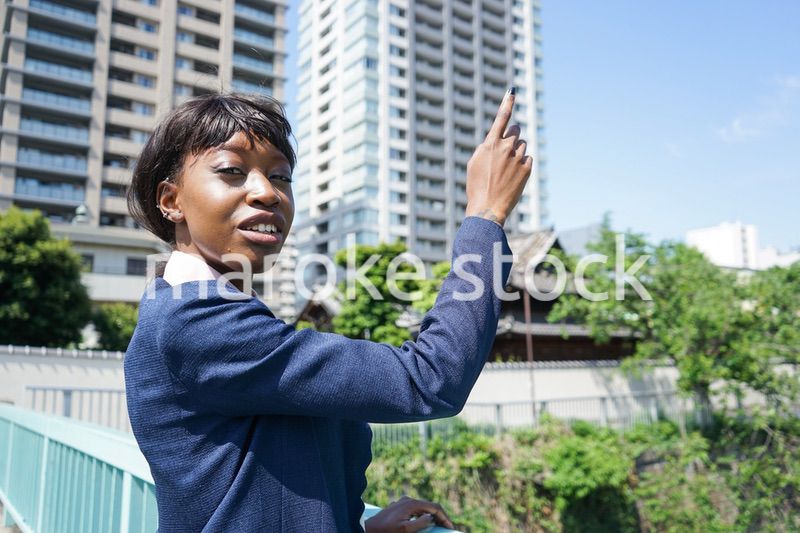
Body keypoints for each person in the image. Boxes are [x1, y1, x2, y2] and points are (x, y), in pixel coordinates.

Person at [124, 88, 532, 532]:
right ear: (171, 200)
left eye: (280, 176)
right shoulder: (198, 323)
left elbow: (253, 490)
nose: (267, 192)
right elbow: (431, 379)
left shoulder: (194, 310)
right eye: (231, 171)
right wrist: (486, 216)